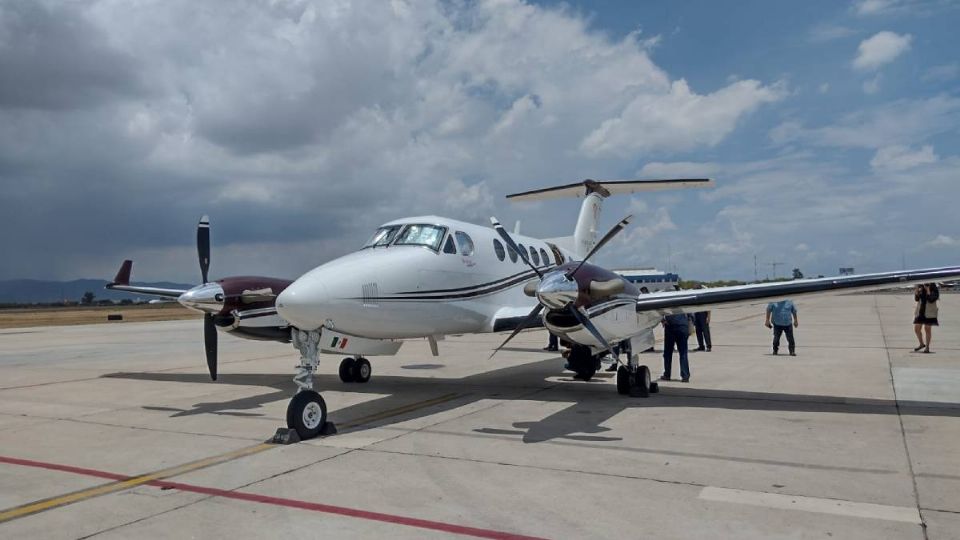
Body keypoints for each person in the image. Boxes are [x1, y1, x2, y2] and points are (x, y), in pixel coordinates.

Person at [661, 312, 693, 382]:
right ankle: (685, 376)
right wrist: (690, 324)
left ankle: (667, 374)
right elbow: (691, 313)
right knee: (683, 353)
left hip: (670, 326)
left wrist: (662, 320)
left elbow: (659, 310)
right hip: (682, 326)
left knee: (668, 353)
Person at [913, 283, 940, 353]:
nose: (925, 285)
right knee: (916, 329)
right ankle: (921, 344)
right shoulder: (921, 287)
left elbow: (931, 299)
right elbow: (916, 299)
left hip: (929, 312)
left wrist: (928, 290)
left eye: (927, 284)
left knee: (927, 329)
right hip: (920, 312)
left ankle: (927, 347)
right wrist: (916, 290)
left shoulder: (934, 288)